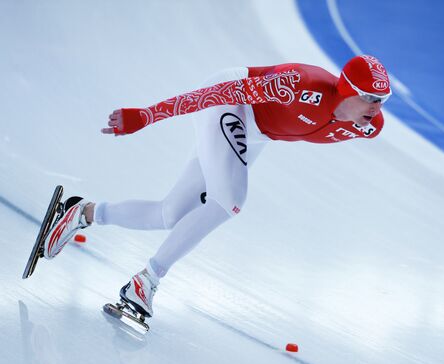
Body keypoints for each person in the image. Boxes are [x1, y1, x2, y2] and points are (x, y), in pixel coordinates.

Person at [42, 55, 392, 318]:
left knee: (171, 214)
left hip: (258, 133)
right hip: (231, 104)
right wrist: (147, 115)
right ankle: (146, 281)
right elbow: (213, 95)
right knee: (230, 200)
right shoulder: (299, 84)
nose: (376, 109)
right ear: (347, 89)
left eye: (382, 101)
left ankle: (83, 213)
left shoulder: (367, 126)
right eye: (370, 99)